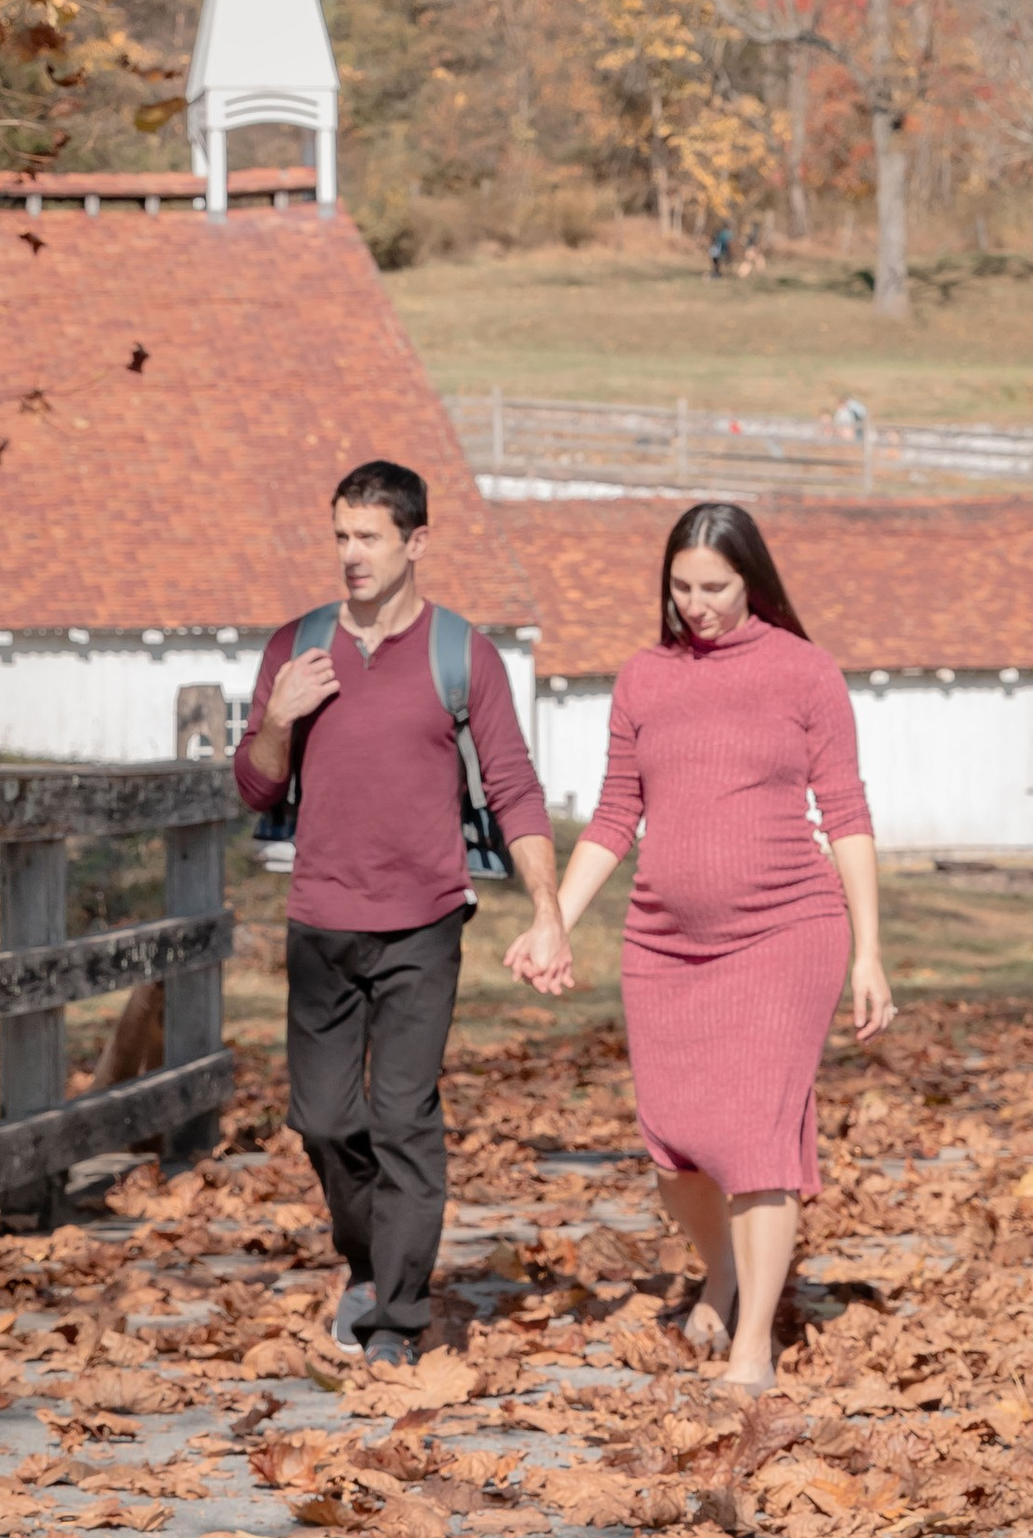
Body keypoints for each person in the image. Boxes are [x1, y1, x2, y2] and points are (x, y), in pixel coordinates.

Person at [507, 499, 893, 1393]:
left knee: (757, 1138)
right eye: (681, 587)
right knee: (677, 1146)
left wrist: (870, 951)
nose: (697, 605)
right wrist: (553, 918)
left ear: (751, 580)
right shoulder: (645, 677)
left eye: (714, 587)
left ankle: (753, 1340)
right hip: (665, 944)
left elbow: (847, 814)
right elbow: (614, 815)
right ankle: (720, 1269)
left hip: (787, 933)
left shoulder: (806, 674)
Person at [236, 461, 562, 1367]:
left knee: (402, 1117)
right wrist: (277, 718)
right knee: (326, 1121)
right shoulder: (295, 649)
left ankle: (397, 1319)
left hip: (424, 920)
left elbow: (513, 786)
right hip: (321, 920)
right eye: (341, 536)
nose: (351, 555)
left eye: (369, 537)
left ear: (416, 542)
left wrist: (549, 909)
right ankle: (368, 1264)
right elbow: (253, 785)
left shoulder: (464, 654)